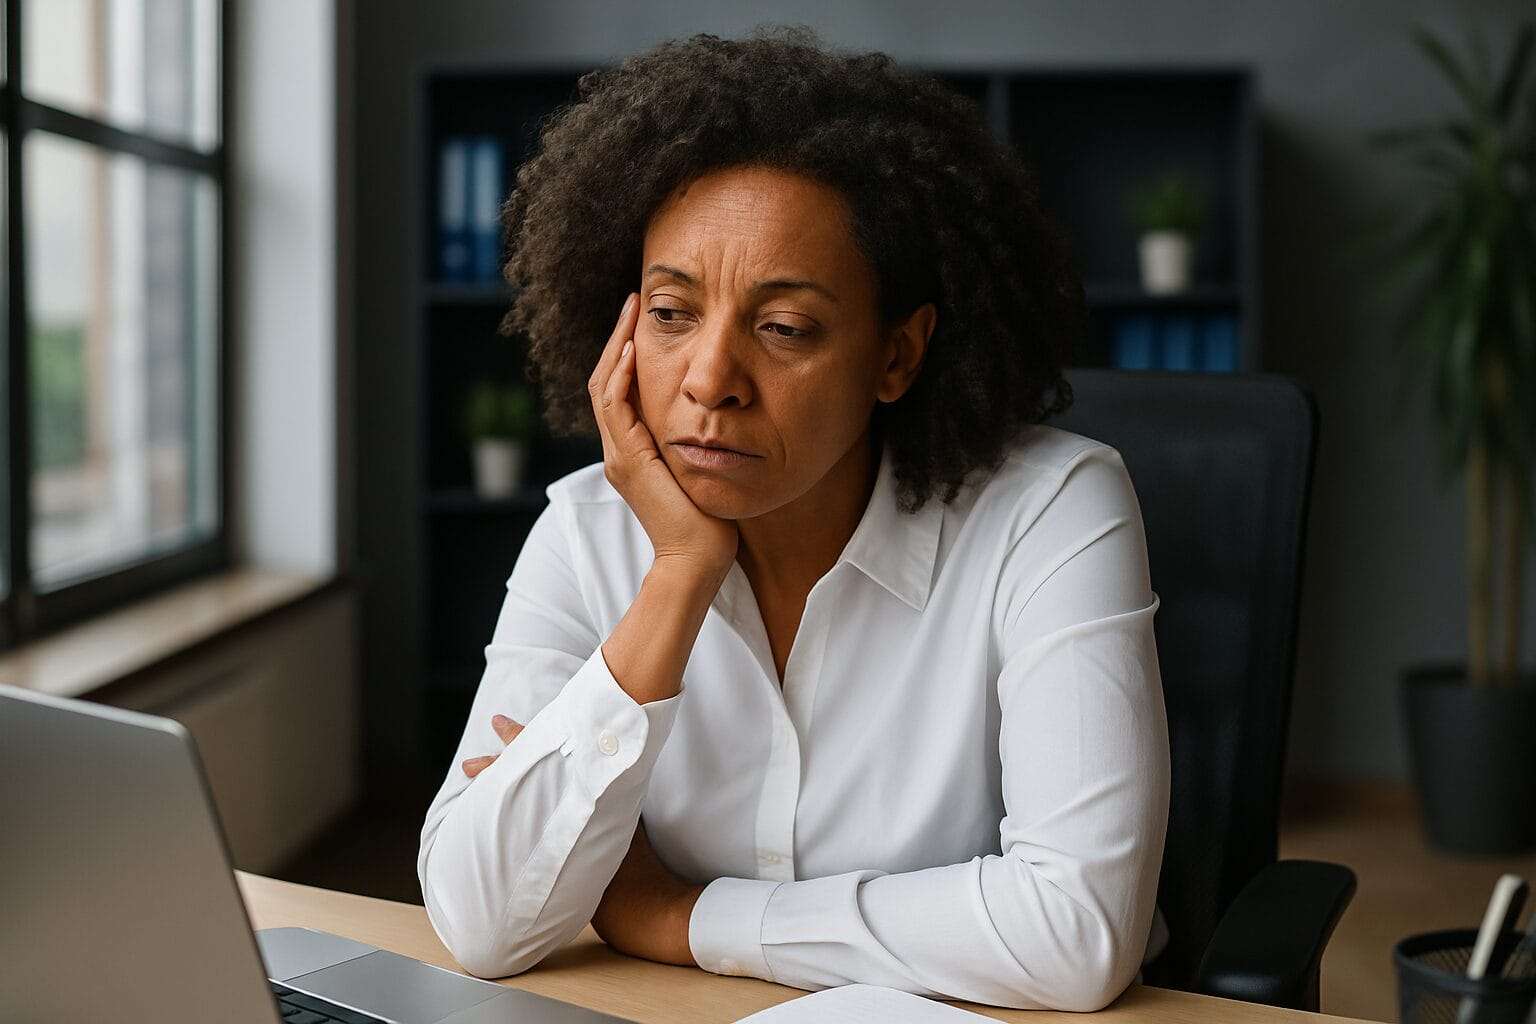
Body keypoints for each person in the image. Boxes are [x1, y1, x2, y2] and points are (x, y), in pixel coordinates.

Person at [418, 25, 1170, 1012]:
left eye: (784, 328)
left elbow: (1076, 931)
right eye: (672, 312)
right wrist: (680, 571)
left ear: (896, 357)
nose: (710, 381)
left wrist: (681, 915)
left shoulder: (1052, 511)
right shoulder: (586, 532)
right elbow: (480, 920)